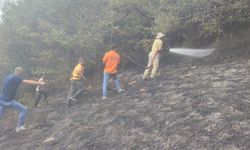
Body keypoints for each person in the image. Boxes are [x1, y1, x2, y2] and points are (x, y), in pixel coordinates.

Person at [0, 67, 45, 132]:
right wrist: (40, 83)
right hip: (8, 100)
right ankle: (19, 127)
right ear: (20, 72)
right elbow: (27, 82)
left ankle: (19, 127)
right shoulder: (15, 78)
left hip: (1, 100)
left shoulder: (7, 77)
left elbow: (10, 85)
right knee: (24, 109)